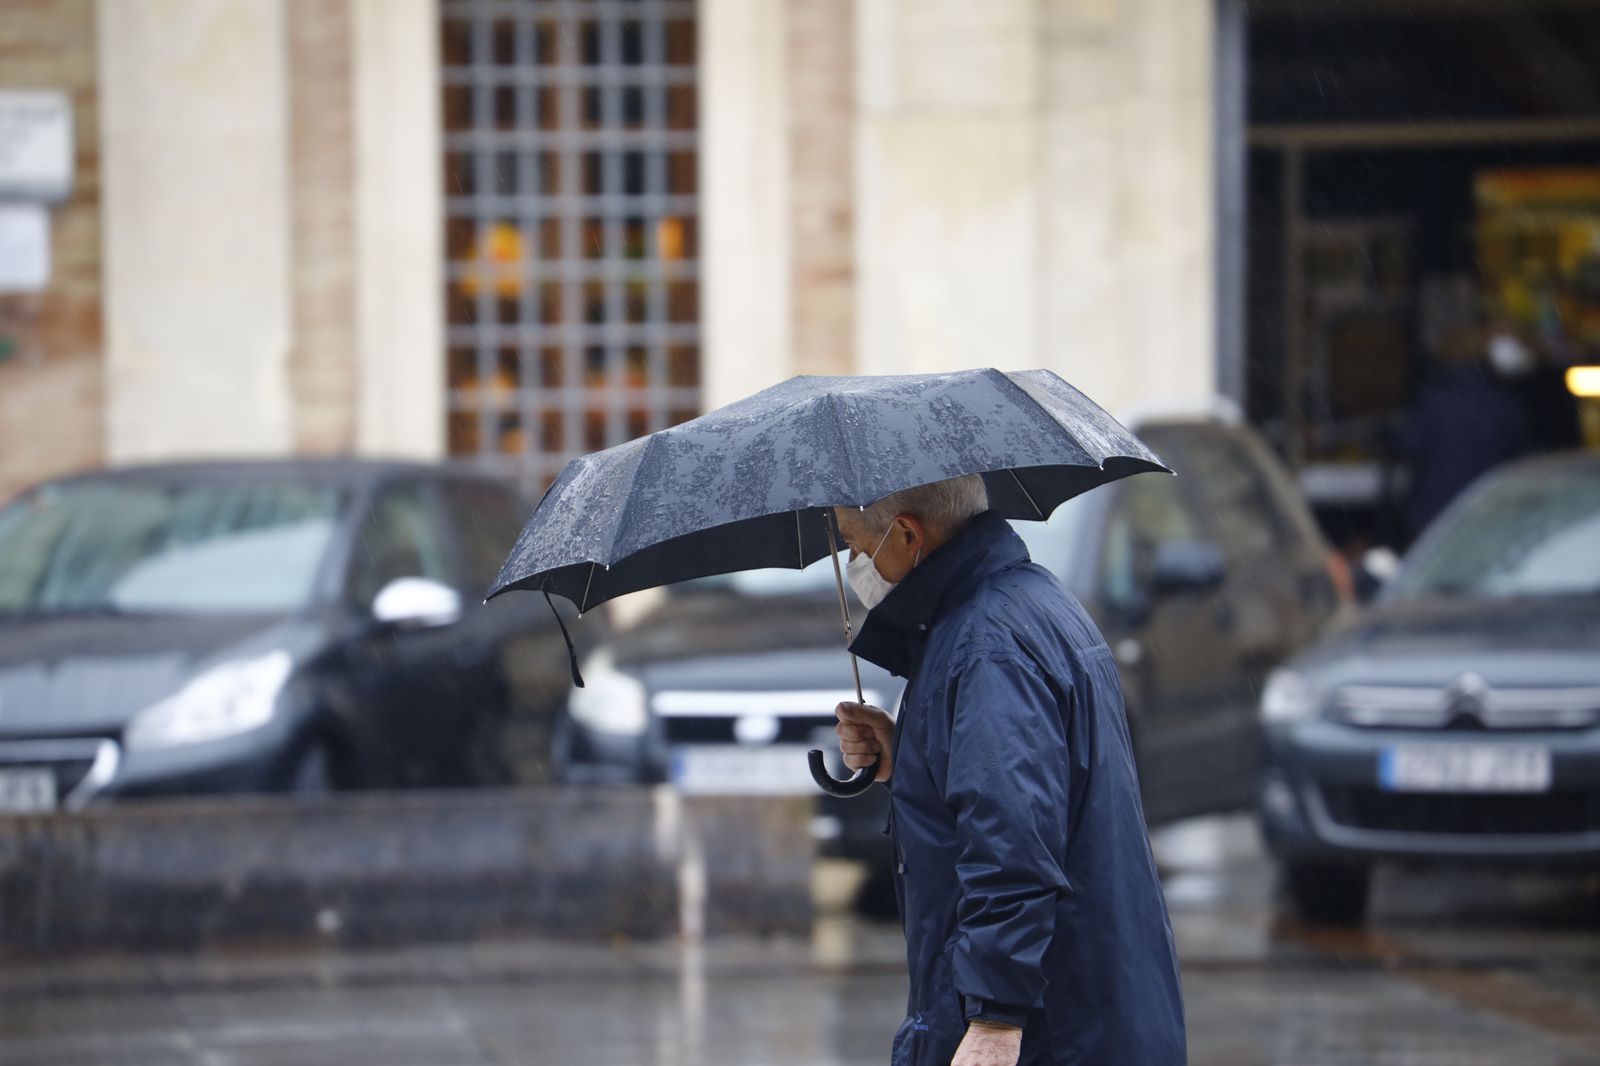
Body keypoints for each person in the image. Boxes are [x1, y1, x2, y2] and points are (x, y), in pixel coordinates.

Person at [832, 474, 1186, 1066]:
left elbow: (1013, 844)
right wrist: (911, 759)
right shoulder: (1025, 600)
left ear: (908, 534)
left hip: (1053, 1031)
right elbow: (1038, 790)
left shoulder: (986, 645)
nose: (852, 561)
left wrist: (995, 1018)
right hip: (1091, 1008)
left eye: (856, 544)